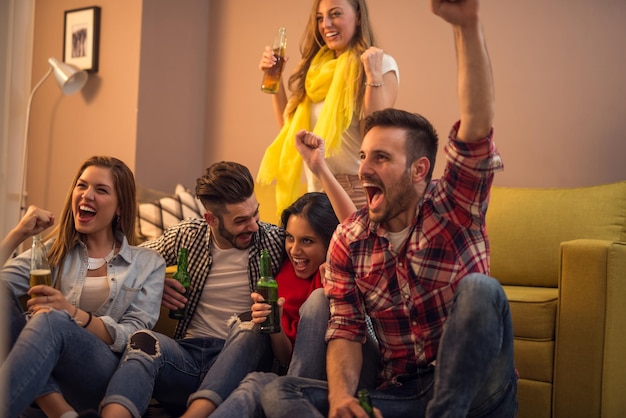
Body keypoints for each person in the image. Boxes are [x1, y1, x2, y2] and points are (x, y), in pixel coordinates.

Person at [259, 1, 518, 417]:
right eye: (362, 156)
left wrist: (467, 27)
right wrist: (343, 398)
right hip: (402, 392)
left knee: (481, 290)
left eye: (379, 158)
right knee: (278, 394)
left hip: (476, 394)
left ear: (419, 170)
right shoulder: (351, 238)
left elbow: (476, 125)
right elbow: (344, 329)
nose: (362, 169)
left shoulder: (454, 207)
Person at [99, 161, 286, 418]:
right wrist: (153, 280)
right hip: (186, 357)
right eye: (241, 220)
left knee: (249, 321)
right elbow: (124, 264)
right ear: (210, 219)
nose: (254, 226)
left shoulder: (275, 241)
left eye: (256, 214)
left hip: (239, 362)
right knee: (141, 340)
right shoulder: (188, 235)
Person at [0, 156, 166, 418]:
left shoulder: (148, 263)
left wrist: (71, 313)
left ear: (120, 207)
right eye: (82, 186)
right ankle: (60, 410)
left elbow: (133, 334)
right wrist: (19, 233)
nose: (87, 195)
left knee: (52, 320)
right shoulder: (54, 252)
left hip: (100, 372)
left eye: (100, 190)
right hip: (44, 362)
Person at [181, 188, 346, 418]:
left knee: (318, 299)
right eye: (290, 238)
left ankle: (289, 393)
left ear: (330, 241)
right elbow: (286, 357)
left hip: (327, 384)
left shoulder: (340, 275)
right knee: (255, 381)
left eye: (307, 241)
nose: (295, 250)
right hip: (286, 375)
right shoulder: (286, 274)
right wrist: (274, 323)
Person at [256, 0, 399, 214]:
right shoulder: (315, 71)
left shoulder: (379, 64)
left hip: (357, 191)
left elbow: (375, 133)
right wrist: (274, 78)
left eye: (336, 14)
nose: (326, 24)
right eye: (320, 18)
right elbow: (292, 134)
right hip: (318, 193)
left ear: (358, 16)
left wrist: (373, 75)